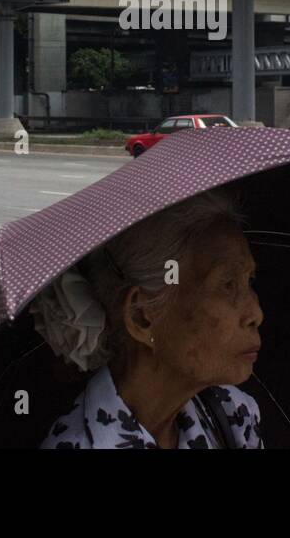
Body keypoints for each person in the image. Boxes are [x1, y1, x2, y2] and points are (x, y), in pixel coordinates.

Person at [32, 190, 264, 449]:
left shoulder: (231, 414)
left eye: (249, 281)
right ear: (141, 315)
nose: (256, 314)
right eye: (227, 285)